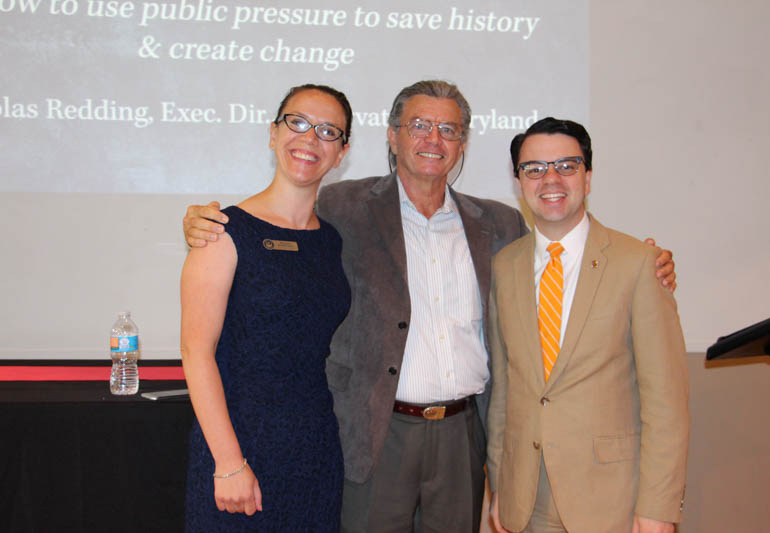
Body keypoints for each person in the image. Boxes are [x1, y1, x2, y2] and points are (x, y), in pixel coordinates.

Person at [182, 81, 677, 533]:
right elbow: (275, 220)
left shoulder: (501, 224)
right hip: (375, 437)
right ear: (393, 137)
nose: (432, 139)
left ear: (462, 145)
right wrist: (203, 220)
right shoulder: (341, 207)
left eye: (448, 129)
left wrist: (643, 260)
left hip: (463, 438)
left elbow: (560, 243)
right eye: (418, 125)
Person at [487, 118, 689, 533]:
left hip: (613, 500)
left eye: (567, 165)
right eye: (535, 168)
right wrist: (499, 488)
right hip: (526, 500)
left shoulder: (638, 263)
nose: (550, 179)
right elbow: (505, 392)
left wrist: (658, 507)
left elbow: (666, 401)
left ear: (588, 175)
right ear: (518, 180)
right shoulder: (504, 267)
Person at [180, 84, 352, 532]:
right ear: (273, 134)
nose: (310, 138)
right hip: (238, 449)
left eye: (328, 131)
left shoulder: (330, 241)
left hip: (314, 450)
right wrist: (228, 462)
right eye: (297, 123)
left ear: (342, 153)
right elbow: (196, 353)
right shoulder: (222, 231)